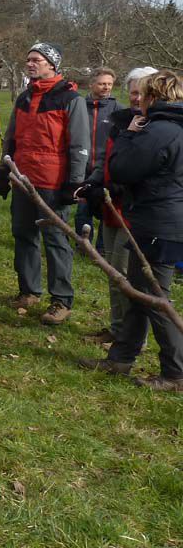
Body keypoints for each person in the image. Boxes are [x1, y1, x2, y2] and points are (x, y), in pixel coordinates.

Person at [80, 70, 183, 390]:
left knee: (154, 297)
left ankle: (175, 372)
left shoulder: (159, 131)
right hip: (166, 219)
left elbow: (122, 169)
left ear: (154, 97)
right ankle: (121, 357)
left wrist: (128, 134)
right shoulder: (176, 127)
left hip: (158, 222)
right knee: (139, 292)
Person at [0, 43, 88, 326]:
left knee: (56, 240)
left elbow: (80, 144)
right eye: (28, 59)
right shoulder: (23, 98)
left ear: (52, 64)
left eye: (37, 60)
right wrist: (3, 172)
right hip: (23, 178)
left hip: (53, 182)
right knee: (23, 235)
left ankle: (61, 300)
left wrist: (74, 183)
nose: (30, 64)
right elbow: (11, 136)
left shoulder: (70, 99)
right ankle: (28, 291)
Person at [76, 67, 155, 346]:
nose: (136, 98)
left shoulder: (155, 128)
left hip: (134, 213)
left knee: (126, 276)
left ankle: (132, 338)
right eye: (133, 92)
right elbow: (106, 160)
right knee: (112, 271)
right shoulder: (121, 120)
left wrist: (118, 182)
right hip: (111, 207)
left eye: (142, 93)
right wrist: (93, 183)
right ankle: (117, 327)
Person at [77, 67, 122, 245]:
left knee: (106, 208)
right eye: (102, 83)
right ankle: (83, 245)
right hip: (82, 167)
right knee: (82, 210)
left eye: (109, 84)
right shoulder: (79, 106)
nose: (106, 87)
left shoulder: (118, 110)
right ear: (91, 84)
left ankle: (103, 248)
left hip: (106, 169)